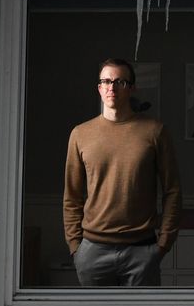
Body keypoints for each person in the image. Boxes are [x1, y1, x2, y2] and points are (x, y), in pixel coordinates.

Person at [63, 57, 181, 286]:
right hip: (92, 252)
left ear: (132, 88)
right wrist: (75, 247)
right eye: (106, 81)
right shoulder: (80, 134)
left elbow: (173, 190)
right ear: (99, 88)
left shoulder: (156, 132)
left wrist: (163, 244)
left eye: (120, 82)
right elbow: (72, 196)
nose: (112, 87)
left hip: (142, 251)